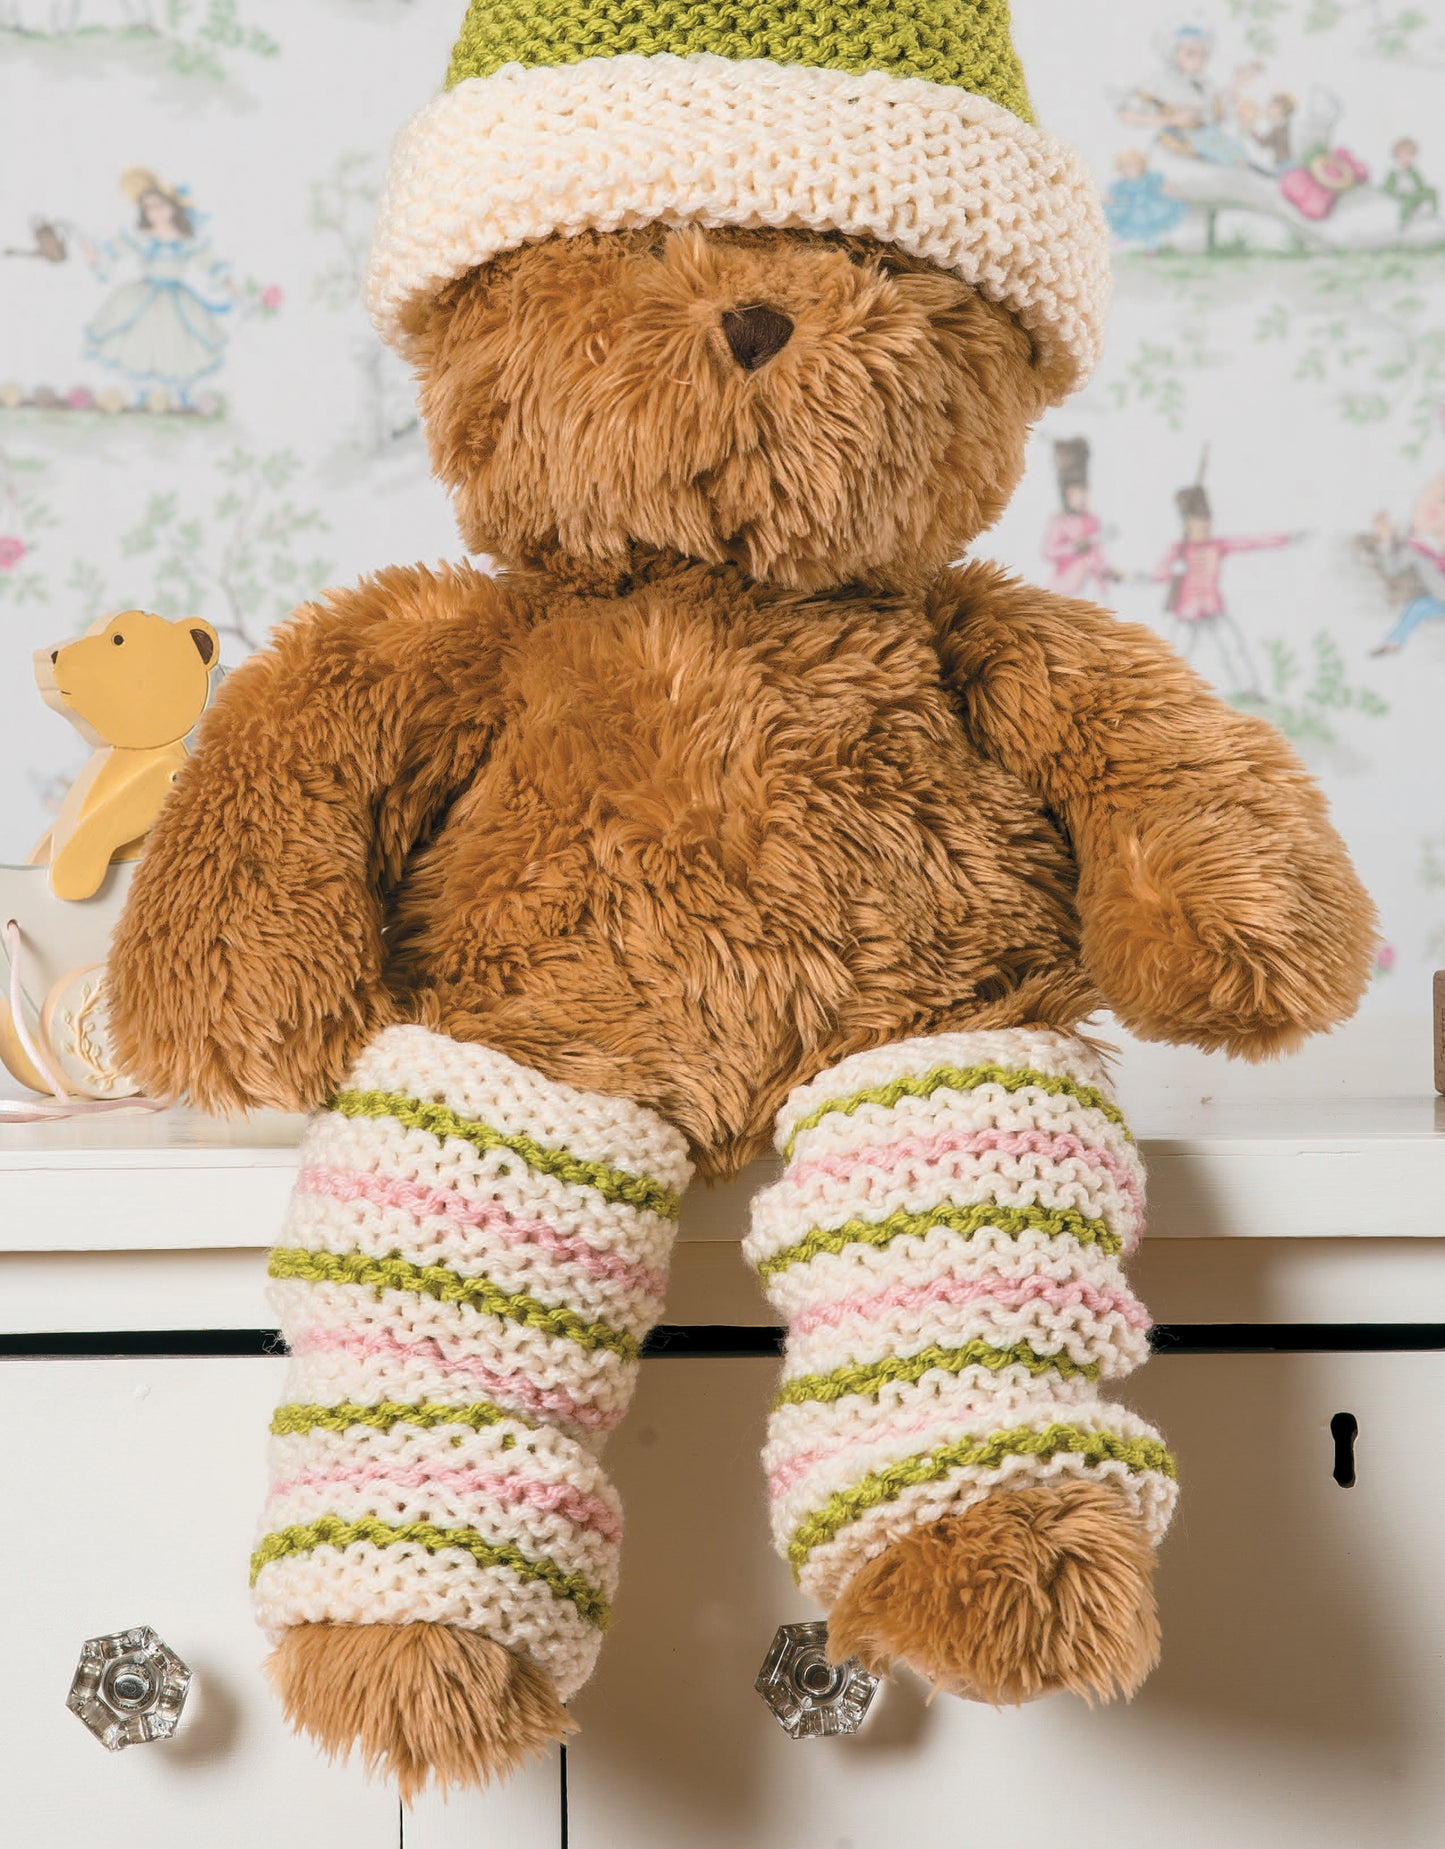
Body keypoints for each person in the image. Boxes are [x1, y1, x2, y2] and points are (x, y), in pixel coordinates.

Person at [81, 167, 233, 406]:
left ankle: (183, 395)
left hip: (177, 297)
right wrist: (93, 255)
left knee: (180, 345)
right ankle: (141, 395)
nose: (154, 213)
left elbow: (210, 263)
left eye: (159, 206)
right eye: (148, 207)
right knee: (141, 345)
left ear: (173, 207)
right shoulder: (141, 236)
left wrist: (230, 285)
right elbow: (111, 255)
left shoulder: (187, 240)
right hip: (145, 295)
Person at [1152, 480, 1295, 695]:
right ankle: (1162, 692)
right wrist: (1175, 567)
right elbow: (1158, 575)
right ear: (1187, 525)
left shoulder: (1218, 546)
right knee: (1175, 653)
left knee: (1233, 646)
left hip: (1213, 609)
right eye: (1200, 525)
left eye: (1208, 525)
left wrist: (1283, 539)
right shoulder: (1178, 549)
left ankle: (1249, 689)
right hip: (1186, 613)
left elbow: (1250, 542)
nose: (1205, 530)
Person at [1119, 26, 1254, 166]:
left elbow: (1216, 112)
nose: (1199, 59)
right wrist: (1172, 119)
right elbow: (1127, 115)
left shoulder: (1204, 82)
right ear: (1174, 53)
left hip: (1209, 139)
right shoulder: (1159, 81)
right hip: (1177, 144)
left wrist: (1238, 83)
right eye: (1191, 53)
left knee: (1239, 157)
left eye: (1203, 54)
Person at [1370, 476, 1445, 654]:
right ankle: (1393, 643)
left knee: (1421, 605)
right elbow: (1392, 569)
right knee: (1418, 606)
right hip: (1441, 599)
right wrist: (1386, 541)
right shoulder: (1416, 548)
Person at [1043, 439, 1122, 596]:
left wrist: (1108, 571)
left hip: (1091, 585)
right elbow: (1049, 551)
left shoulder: (1091, 520)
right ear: (1066, 495)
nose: (1082, 497)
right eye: (1077, 493)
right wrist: (1074, 547)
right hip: (1065, 587)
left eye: (1084, 491)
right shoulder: (1059, 522)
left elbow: (1096, 553)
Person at [1103, 151, 1186, 248]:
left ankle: (1152, 247)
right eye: (1127, 166)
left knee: (1150, 229)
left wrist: (1177, 194)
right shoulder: (1121, 184)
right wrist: (1105, 202)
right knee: (1126, 225)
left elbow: (1163, 187)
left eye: (1136, 164)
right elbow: (1112, 196)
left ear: (1142, 166)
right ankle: (1121, 240)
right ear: (1121, 168)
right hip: (1129, 209)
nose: (1132, 168)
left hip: (1148, 208)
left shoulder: (1149, 179)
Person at [1383, 138, 1439, 231]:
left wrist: (1421, 190)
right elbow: (1386, 187)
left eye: (1410, 155)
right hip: (1402, 195)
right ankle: (1402, 222)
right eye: (1404, 155)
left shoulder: (1414, 171)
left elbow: (1420, 184)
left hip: (1416, 194)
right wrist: (1397, 192)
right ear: (1397, 156)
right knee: (1408, 201)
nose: (1407, 158)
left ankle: (1433, 213)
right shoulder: (1394, 172)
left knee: (1433, 191)